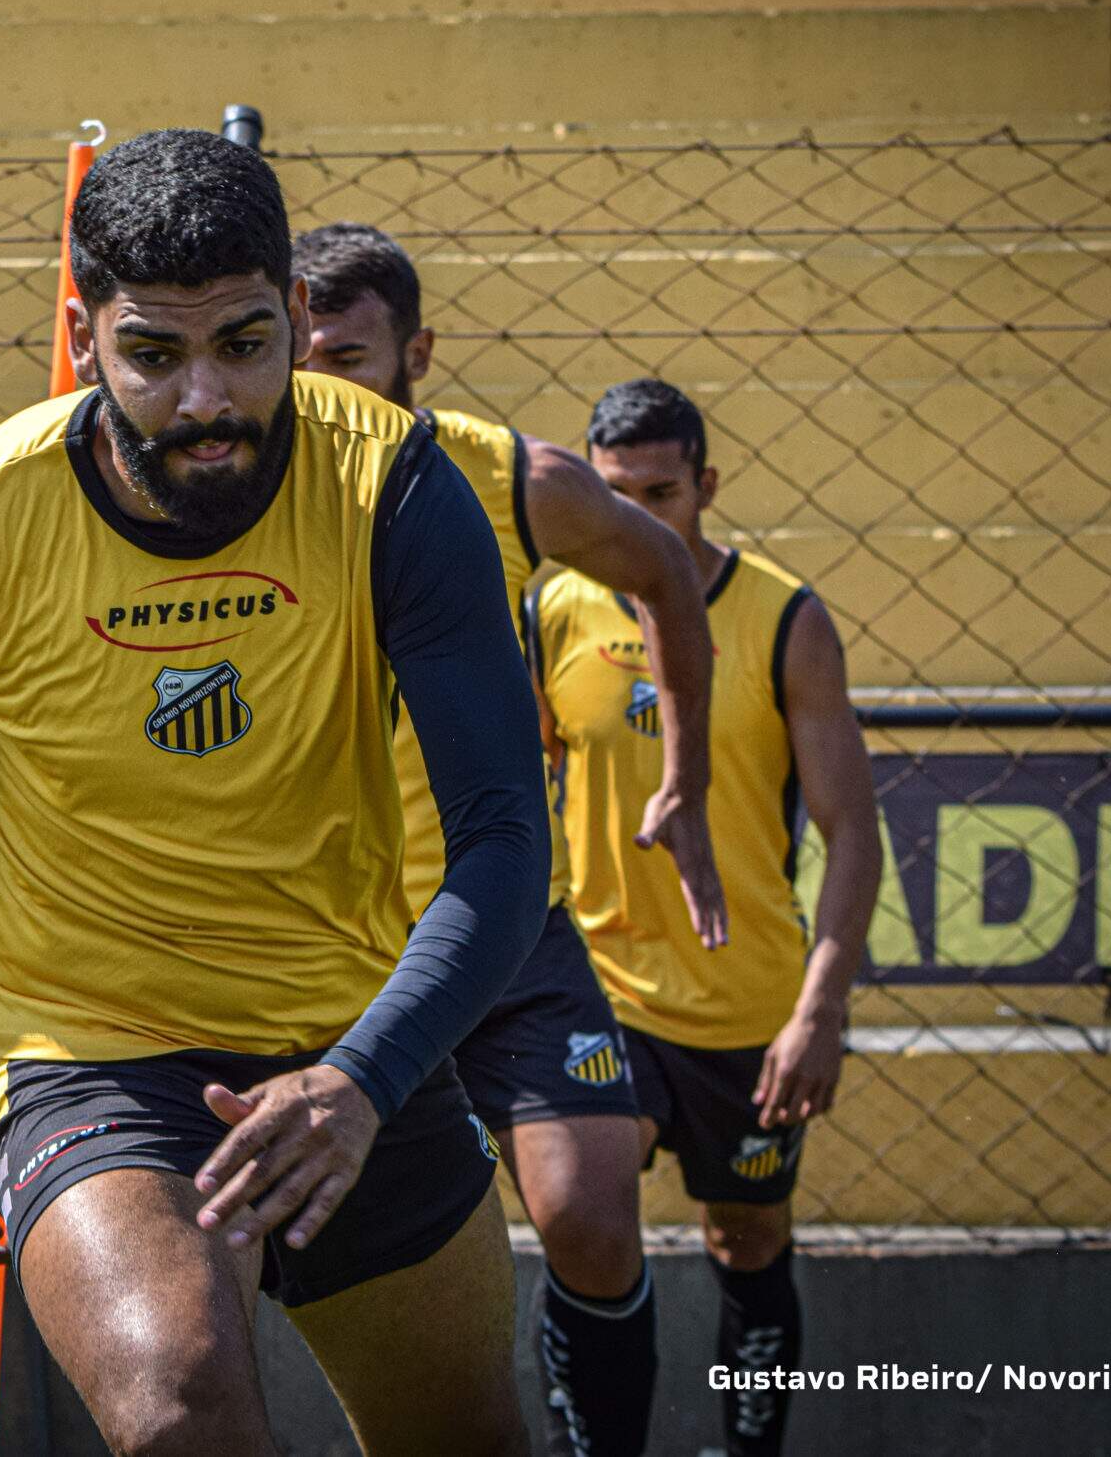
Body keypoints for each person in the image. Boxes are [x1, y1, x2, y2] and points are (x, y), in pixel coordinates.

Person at [0, 129, 550, 1456]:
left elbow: (508, 839)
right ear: (80, 334)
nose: (205, 399)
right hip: (90, 1048)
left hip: (350, 1044)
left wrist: (363, 1074)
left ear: (295, 313)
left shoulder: (396, 486)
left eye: (242, 342)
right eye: (153, 356)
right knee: (178, 1403)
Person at [295, 220, 721, 1456]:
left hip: (501, 927)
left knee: (589, 1213)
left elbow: (666, 575)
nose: (325, 389)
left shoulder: (505, 481)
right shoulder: (236, 492)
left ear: (416, 351)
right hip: (339, 942)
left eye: (353, 359)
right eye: (305, 357)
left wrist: (683, 776)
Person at [533, 378, 882, 1457]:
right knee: (583, 1225)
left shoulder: (783, 619)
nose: (638, 516)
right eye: (614, 492)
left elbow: (852, 833)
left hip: (745, 1003)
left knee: (745, 1235)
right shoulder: (553, 608)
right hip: (600, 991)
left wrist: (818, 1013)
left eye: (662, 491)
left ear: (707, 487)